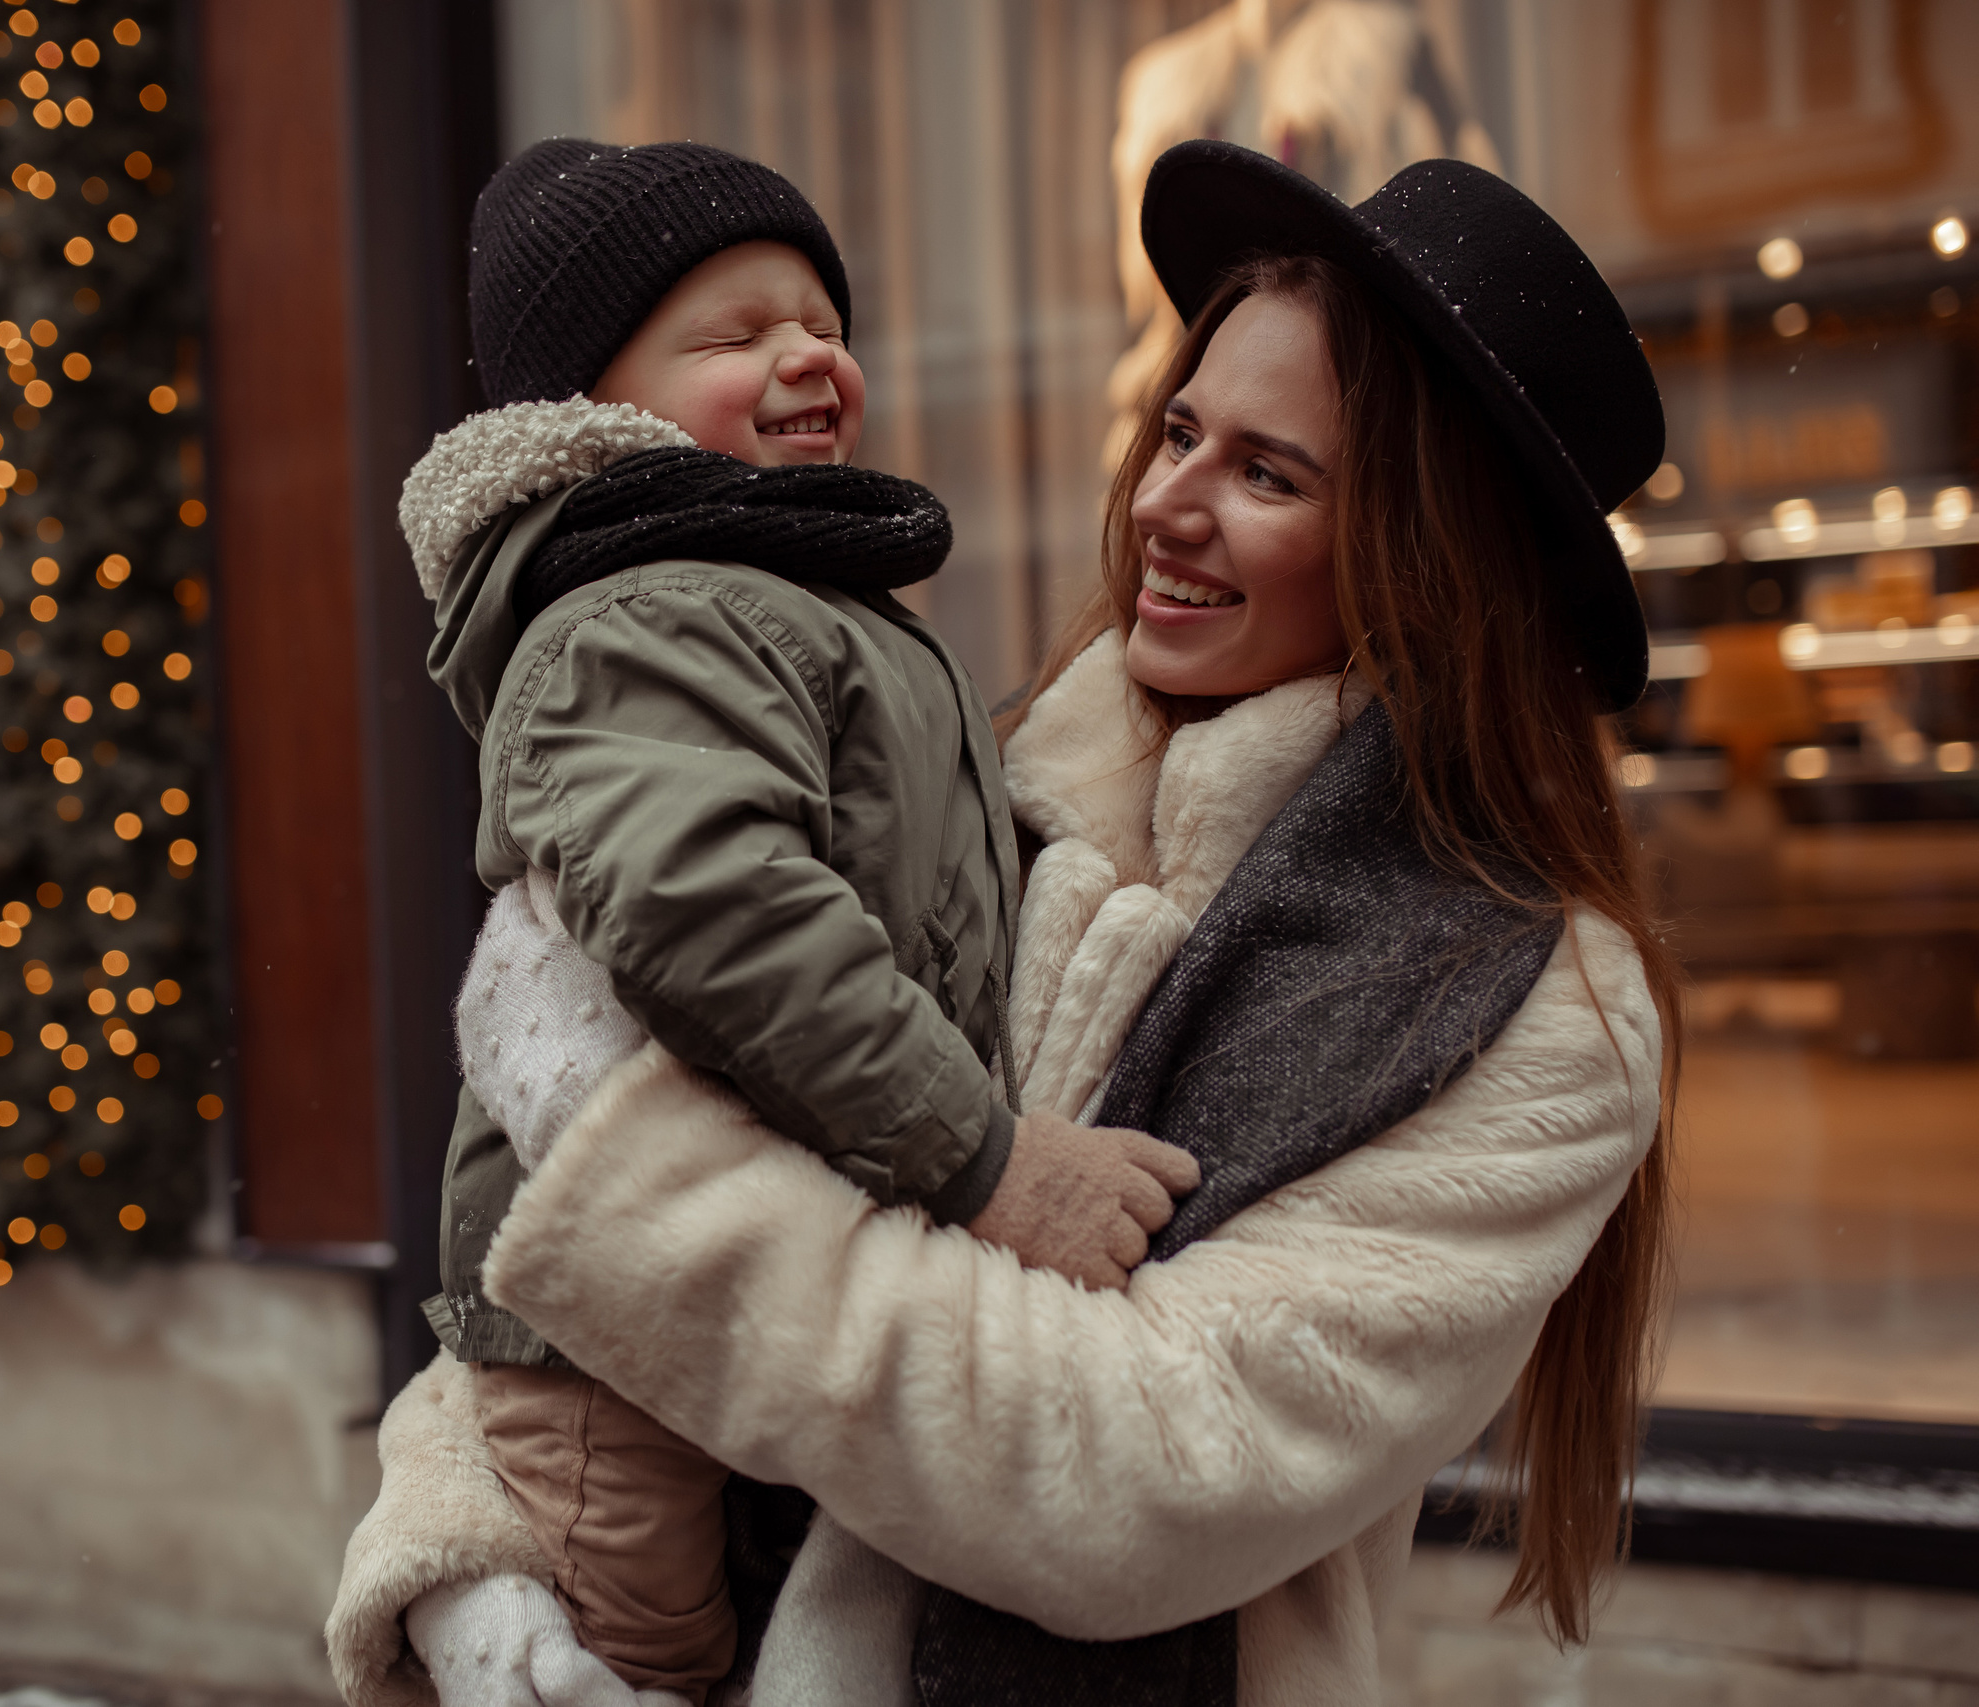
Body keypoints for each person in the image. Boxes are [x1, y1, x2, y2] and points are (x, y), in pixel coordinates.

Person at [328, 139, 1677, 1707]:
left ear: (1437, 564)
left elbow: (1131, 1475)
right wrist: (468, 1565)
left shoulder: (1534, 1000)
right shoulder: (1000, 779)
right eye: (1181, 430)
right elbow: (536, 1305)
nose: (1166, 501)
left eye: (1269, 473)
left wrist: (610, 1145)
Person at [378, 139, 1200, 1706]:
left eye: (823, 320)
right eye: (737, 332)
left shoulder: (795, 603)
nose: (808, 353)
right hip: (607, 1328)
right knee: (619, 1640)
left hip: (781, 1267)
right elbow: (712, 908)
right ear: (595, 411)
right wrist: (987, 1156)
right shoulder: (643, 615)